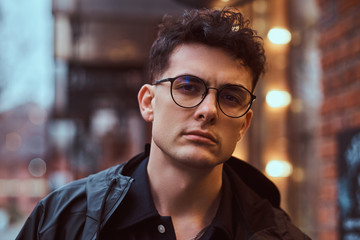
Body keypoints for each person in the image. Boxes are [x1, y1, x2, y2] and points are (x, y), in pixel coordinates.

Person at [16, 8, 311, 240]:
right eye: (188, 86)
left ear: (245, 124)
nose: (208, 110)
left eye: (231, 97)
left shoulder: (280, 235)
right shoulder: (62, 221)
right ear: (148, 103)